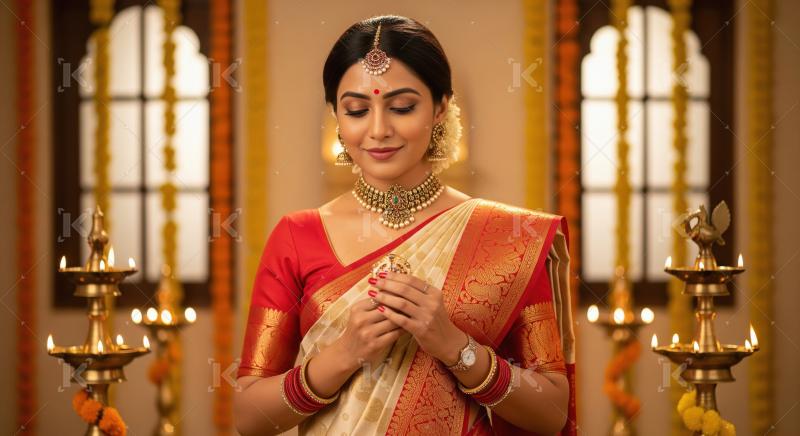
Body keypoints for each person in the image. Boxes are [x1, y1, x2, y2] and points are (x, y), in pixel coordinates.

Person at [234, 15, 576, 436]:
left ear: (440, 107)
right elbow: (249, 416)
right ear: (337, 118)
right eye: (357, 110)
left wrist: (456, 348)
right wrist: (344, 354)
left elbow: (552, 413)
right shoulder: (296, 237)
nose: (379, 130)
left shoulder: (508, 237)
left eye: (402, 107)